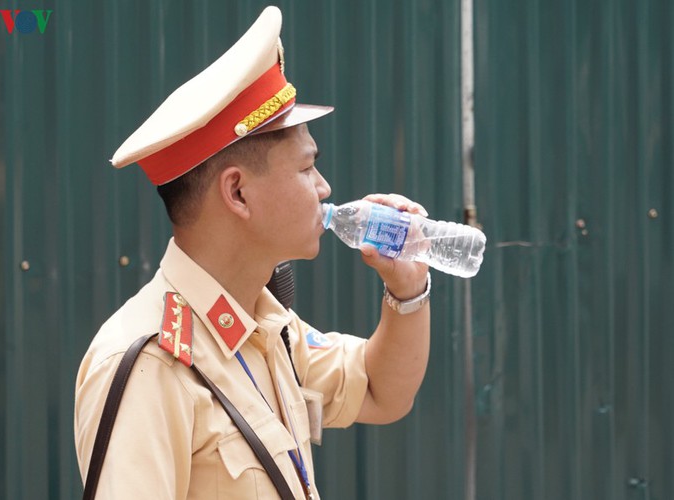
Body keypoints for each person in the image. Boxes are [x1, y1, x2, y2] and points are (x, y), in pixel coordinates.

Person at [74, 6, 431, 499]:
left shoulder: (267, 328)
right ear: (238, 193)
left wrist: (407, 287)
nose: (325, 188)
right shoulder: (148, 364)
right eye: (308, 168)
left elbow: (380, 390)